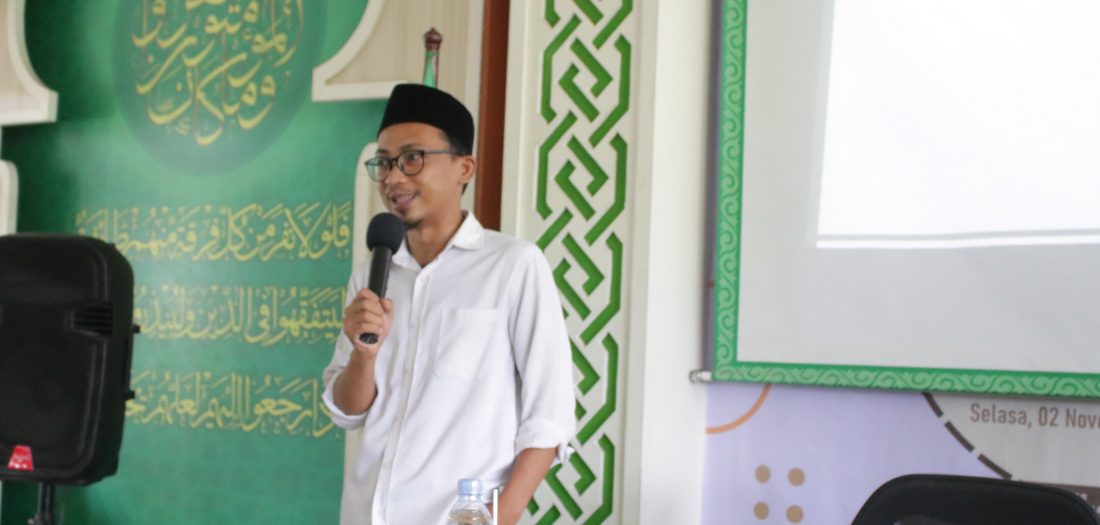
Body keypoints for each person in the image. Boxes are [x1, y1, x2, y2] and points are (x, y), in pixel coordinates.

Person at [322, 84, 576, 525]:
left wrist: (500, 515)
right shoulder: (372, 275)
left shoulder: (513, 266)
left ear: (464, 168)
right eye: (384, 163)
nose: (394, 178)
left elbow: (549, 414)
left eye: (412, 158)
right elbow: (348, 412)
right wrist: (363, 354)